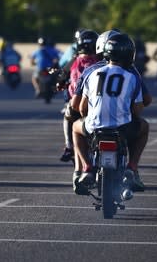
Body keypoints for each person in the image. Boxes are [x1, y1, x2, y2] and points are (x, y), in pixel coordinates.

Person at [70, 30, 151, 193]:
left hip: (94, 127)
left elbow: (79, 107)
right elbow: (137, 110)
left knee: (75, 128)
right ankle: (132, 167)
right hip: (122, 128)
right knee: (144, 127)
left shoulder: (92, 73)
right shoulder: (132, 75)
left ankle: (86, 167)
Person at [60, 29, 99, 162]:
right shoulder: (101, 61)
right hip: (97, 103)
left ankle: (69, 146)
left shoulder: (74, 61)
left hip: (76, 104)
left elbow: (62, 75)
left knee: (67, 116)